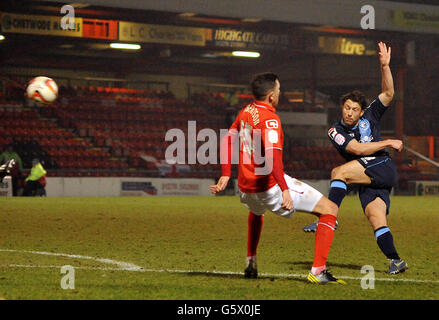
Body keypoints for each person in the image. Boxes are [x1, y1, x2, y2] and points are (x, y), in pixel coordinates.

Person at [210, 72, 345, 284]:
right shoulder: (270, 120)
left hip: (246, 189)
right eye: (279, 90)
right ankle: (318, 271)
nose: (280, 94)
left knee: (256, 212)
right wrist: (284, 189)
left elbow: (227, 140)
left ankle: (251, 261)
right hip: (269, 187)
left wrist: (226, 174)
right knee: (330, 210)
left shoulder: (246, 111)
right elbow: (272, 158)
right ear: (271, 96)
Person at [305, 42, 407, 275]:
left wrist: (385, 67)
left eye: (354, 109)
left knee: (338, 173)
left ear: (362, 112)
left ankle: (331, 215)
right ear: (342, 108)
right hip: (370, 174)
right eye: (346, 108)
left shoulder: (370, 114)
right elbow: (358, 150)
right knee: (376, 218)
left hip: (382, 165)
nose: (349, 112)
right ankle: (396, 260)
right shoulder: (335, 132)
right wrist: (389, 141)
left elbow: (389, 93)